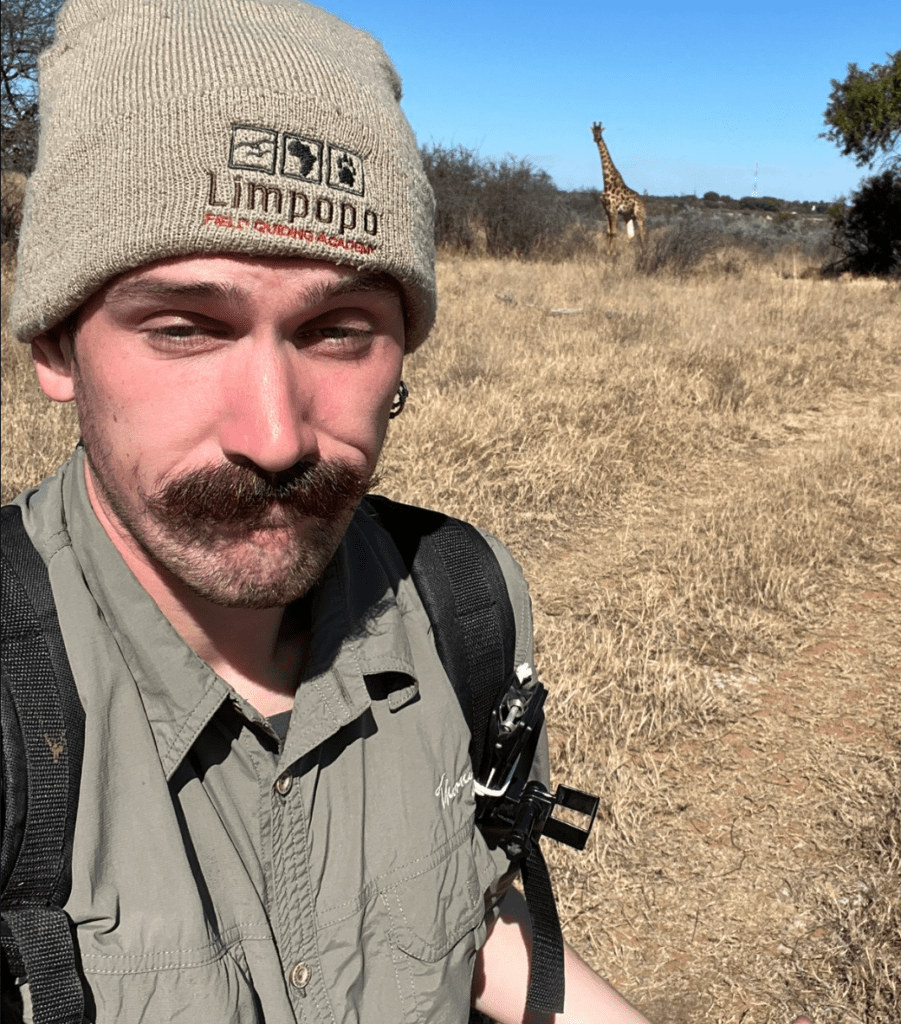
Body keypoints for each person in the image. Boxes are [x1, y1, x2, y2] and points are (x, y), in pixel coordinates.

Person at [1, 1, 656, 1021]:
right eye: (185, 328)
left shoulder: (463, 603)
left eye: (341, 329)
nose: (276, 437)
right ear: (55, 344)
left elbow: (466, 916)